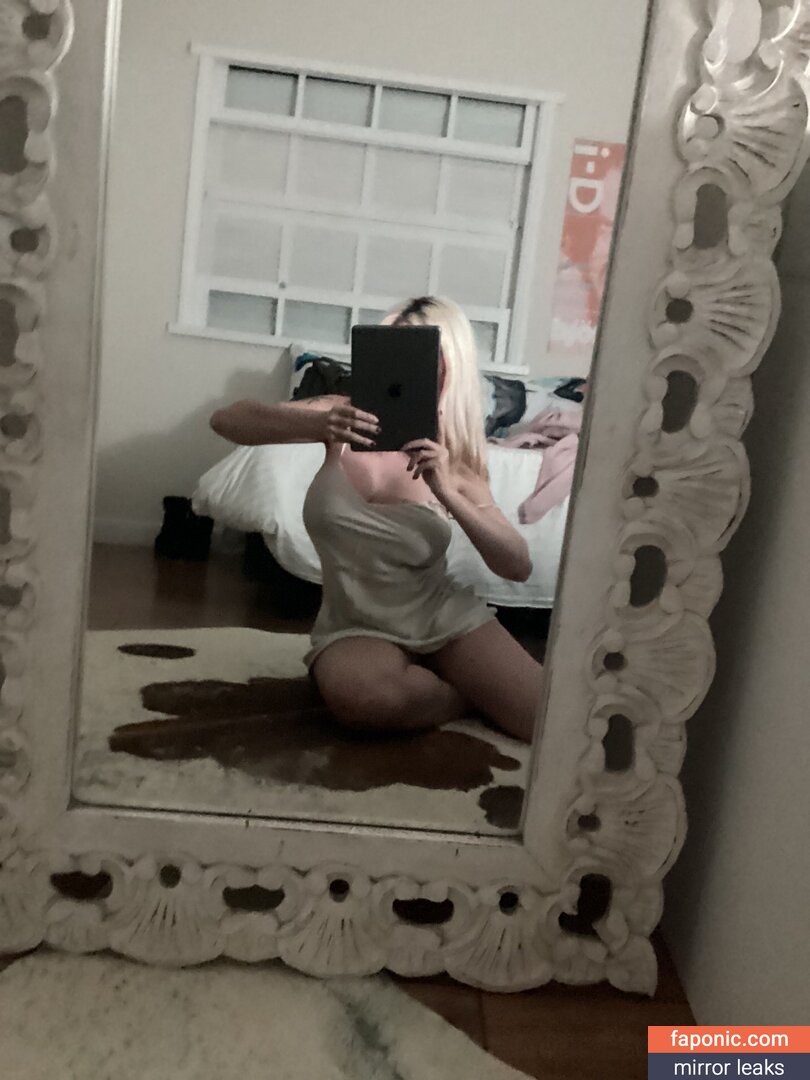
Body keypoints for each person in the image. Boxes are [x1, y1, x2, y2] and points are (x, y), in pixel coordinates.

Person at [210, 297, 543, 742]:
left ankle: (451, 682)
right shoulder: (341, 417)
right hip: (356, 624)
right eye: (393, 354)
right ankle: (462, 697)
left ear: (450, 367)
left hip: (443, 615)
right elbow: (227, 421)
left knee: (545, 719)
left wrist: (447, 491)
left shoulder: (457, 459)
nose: (405, 372)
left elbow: (516, 565)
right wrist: (319, 425)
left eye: (422, 359)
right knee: (367, 700)